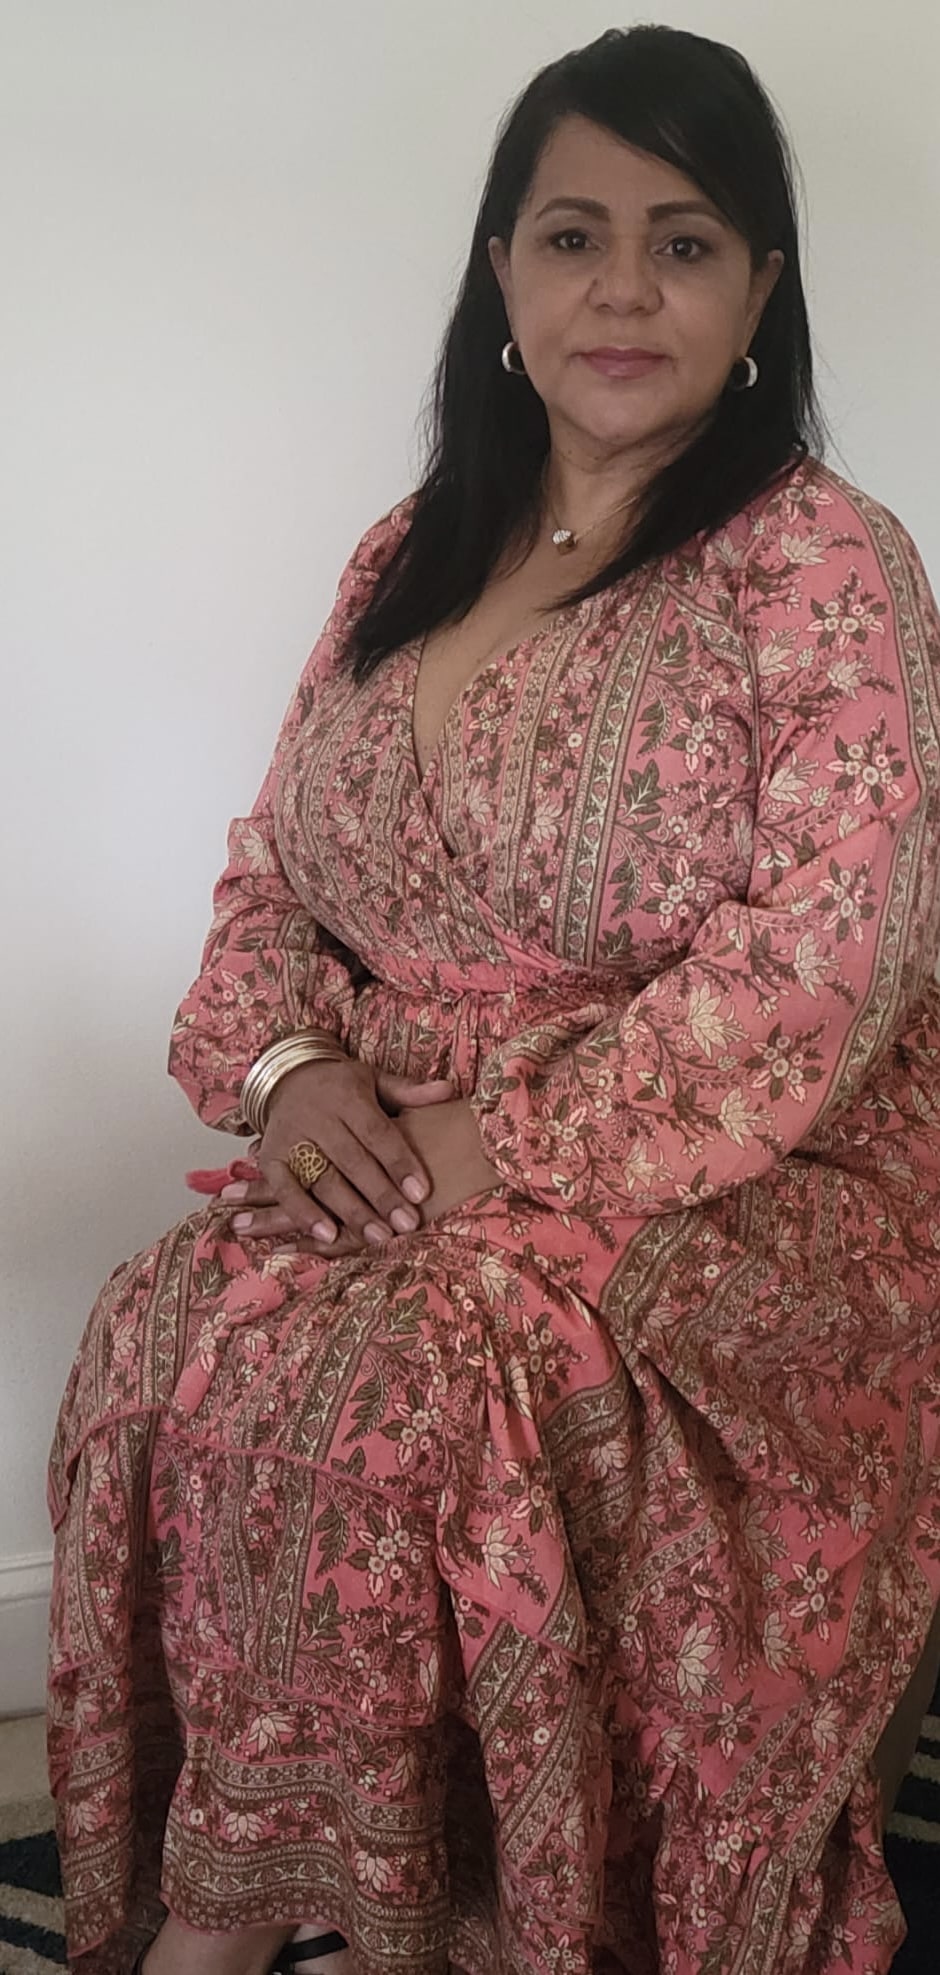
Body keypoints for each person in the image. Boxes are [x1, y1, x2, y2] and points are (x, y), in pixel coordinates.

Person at [46, 23, 940, 1975]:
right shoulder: (411, 551)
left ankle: (435, 1915)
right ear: (500, 271)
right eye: (570, 235)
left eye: (682, 242)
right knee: (158, 1332)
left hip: (743, 1176)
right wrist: (290, 1074)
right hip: (404, 1154)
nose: (620, 289)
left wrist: (502, 1137)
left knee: (397, 1388)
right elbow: (273, 870)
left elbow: (823, 970)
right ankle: (257, 1876)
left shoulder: (819, 564)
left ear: (760, 289)